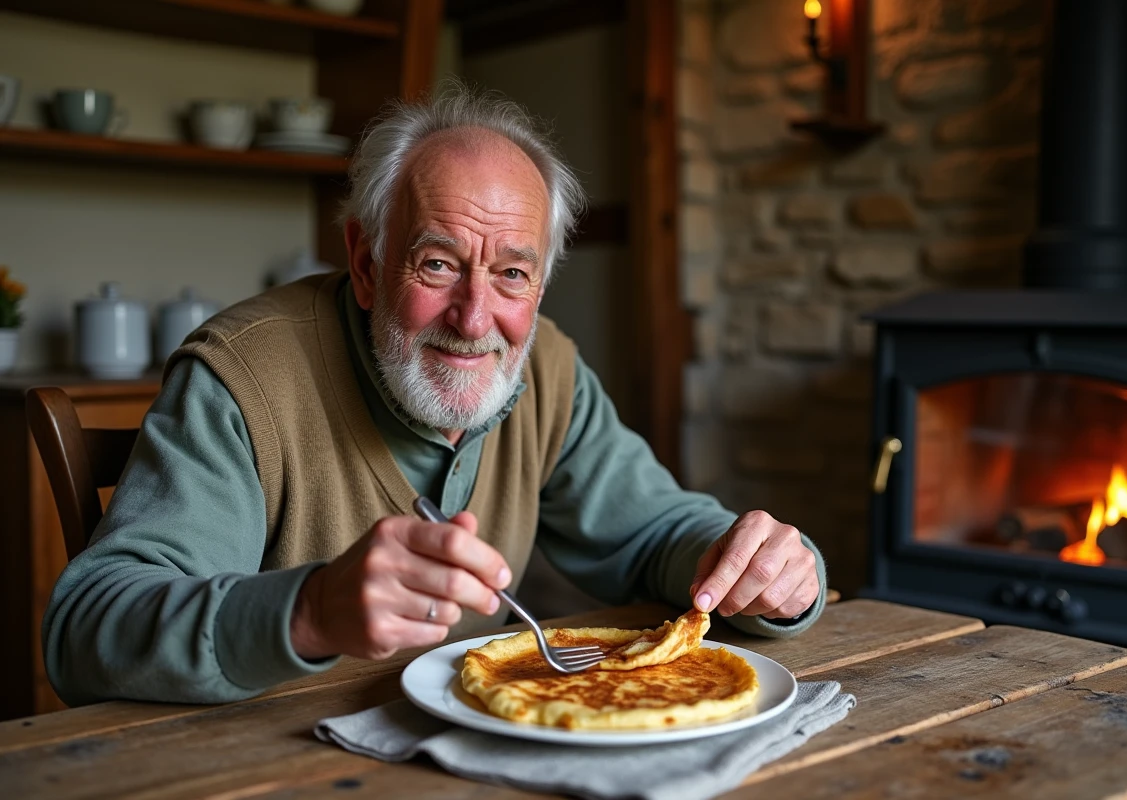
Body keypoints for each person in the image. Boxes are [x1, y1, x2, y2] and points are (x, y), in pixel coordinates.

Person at [43, 85, 827, 706]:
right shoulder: (241, 376)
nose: (475, 319)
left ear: (541, 284)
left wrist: (763, 572)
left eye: (512, 274)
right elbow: (85, 631)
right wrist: (309, 611)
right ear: (364, 260)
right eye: (439, 264)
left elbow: (658, 533)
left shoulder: (546, 368)